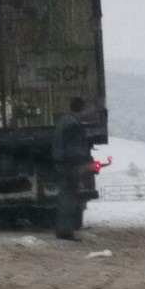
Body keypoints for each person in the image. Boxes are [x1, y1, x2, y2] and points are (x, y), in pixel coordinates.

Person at [52, 97, 91, 240]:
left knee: (65, 197)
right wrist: (83, 162)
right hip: (70, 166)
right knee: (69, 198)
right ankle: (66, 231)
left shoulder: (65, 121)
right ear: (81, 109)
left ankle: (63, 230)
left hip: (63, 164)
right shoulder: (73, 124)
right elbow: (74, 148)